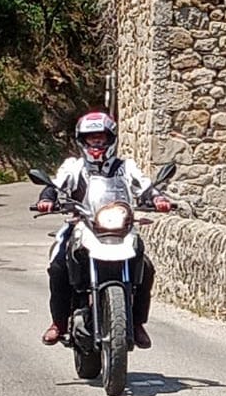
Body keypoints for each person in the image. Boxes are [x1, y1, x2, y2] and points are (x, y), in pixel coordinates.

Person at [36, 111, 170, 348]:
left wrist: (157, 198)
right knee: (58, 265)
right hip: (83, 223)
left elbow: (144, 185)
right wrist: (47, 198)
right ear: (82, 141)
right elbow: (56, 186)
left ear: (110, 139)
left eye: (101, 138)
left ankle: (137, 323)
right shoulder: (74, 166)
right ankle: (59, 323)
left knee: (146, 266)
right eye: (91, 139)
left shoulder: (125, 167)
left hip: (119, 227)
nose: (96, 144)